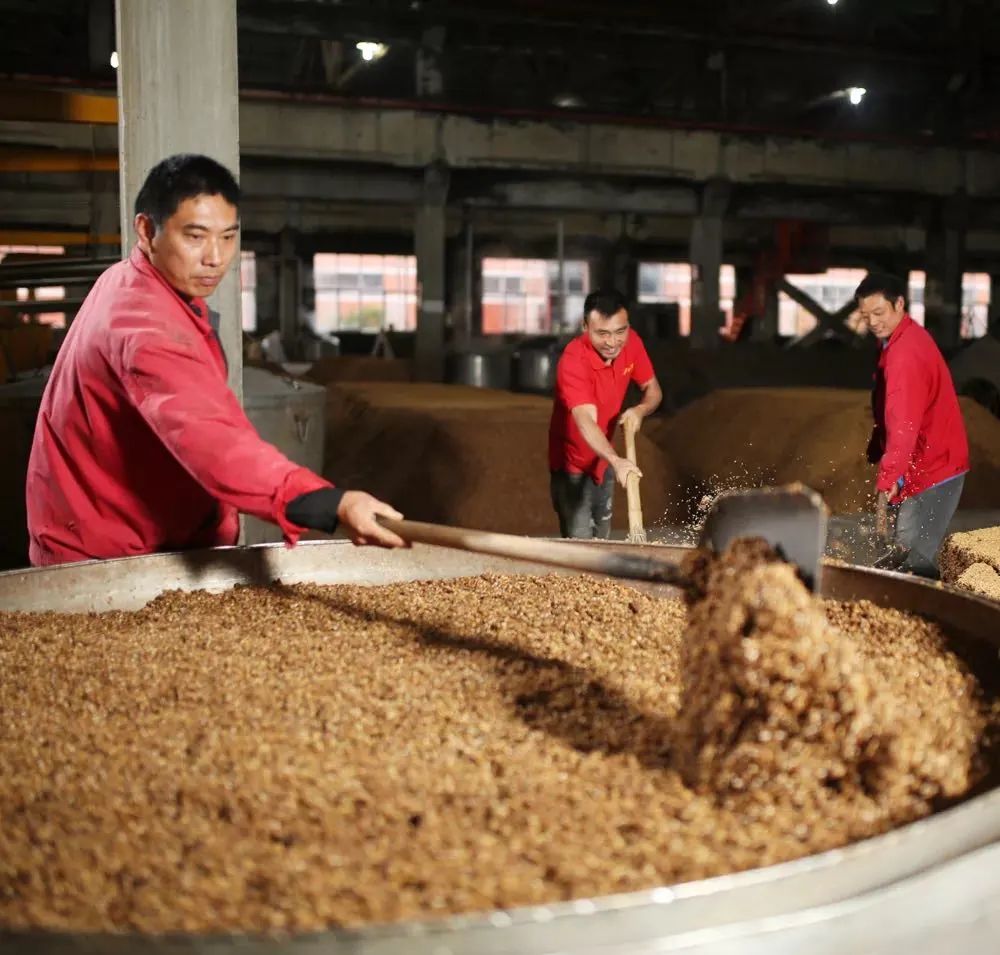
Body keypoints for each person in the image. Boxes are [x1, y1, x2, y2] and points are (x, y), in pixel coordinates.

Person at [26, 153, 405, 566]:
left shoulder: (135, 281)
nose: (216, 257)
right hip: (108, 553)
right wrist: (330, 505)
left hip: (136, 532)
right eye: (195, 236)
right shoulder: (144, 325)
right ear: (147, 230)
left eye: (228, 237)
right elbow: (211, 440)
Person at [856, 271, 969, 578]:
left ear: (899, 304)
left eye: (879, 313)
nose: (873, 322)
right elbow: (893, 410)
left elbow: (904, 420)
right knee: (904, 550)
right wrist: (880, 441)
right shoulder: (897, 339)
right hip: (923, 463)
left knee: (915, 557)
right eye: (866, 316)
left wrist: (889, 474)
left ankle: (925, 619)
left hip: (936, 469)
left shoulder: (905, 354)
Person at [548, 288, 662, 539]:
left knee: (603, 539)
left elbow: (653, 390)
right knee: (581, 548)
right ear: (585, 327)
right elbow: (585, 420)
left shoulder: (632, 342)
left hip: (604, 462)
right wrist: (617, 460)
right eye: (602, 333)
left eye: (620, 331)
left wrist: (641, 410)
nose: (612, 342)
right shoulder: (573, 361)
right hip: (572, 467)